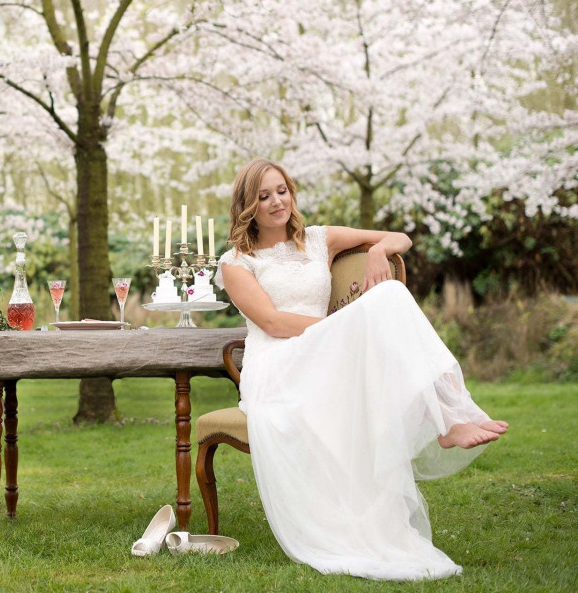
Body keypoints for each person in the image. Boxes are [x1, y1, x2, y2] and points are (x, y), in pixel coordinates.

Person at [215, 158, 508, 581]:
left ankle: (446, 416)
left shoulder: (319, 239)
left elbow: (401, 237)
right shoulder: (236, 261)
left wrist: (377, 250)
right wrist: (342, 331)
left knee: (389, 293)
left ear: (292, 192)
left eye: (282, 190)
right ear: (248, 206)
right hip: (279, 363)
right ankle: (445, 418)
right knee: (385, 302)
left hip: (324, 353)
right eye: (263, 196)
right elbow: (274, 323)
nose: (277, 201)